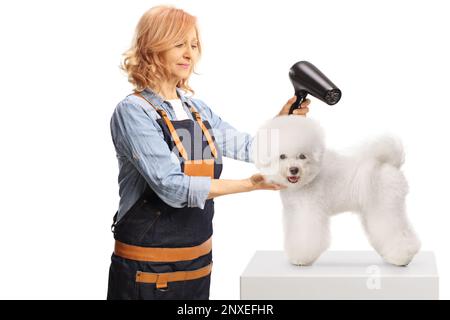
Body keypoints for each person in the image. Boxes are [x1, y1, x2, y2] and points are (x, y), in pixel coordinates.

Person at [107, 5, 310, 300]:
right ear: (153, 48)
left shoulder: (194, 112)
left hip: (196, 265)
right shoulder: (135, 112)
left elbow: (251, 148)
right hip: (146, 270)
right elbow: (173, 186)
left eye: (193, 44)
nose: (190, 53)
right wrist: (249, 185)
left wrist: (283, 122)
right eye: (179, 44)